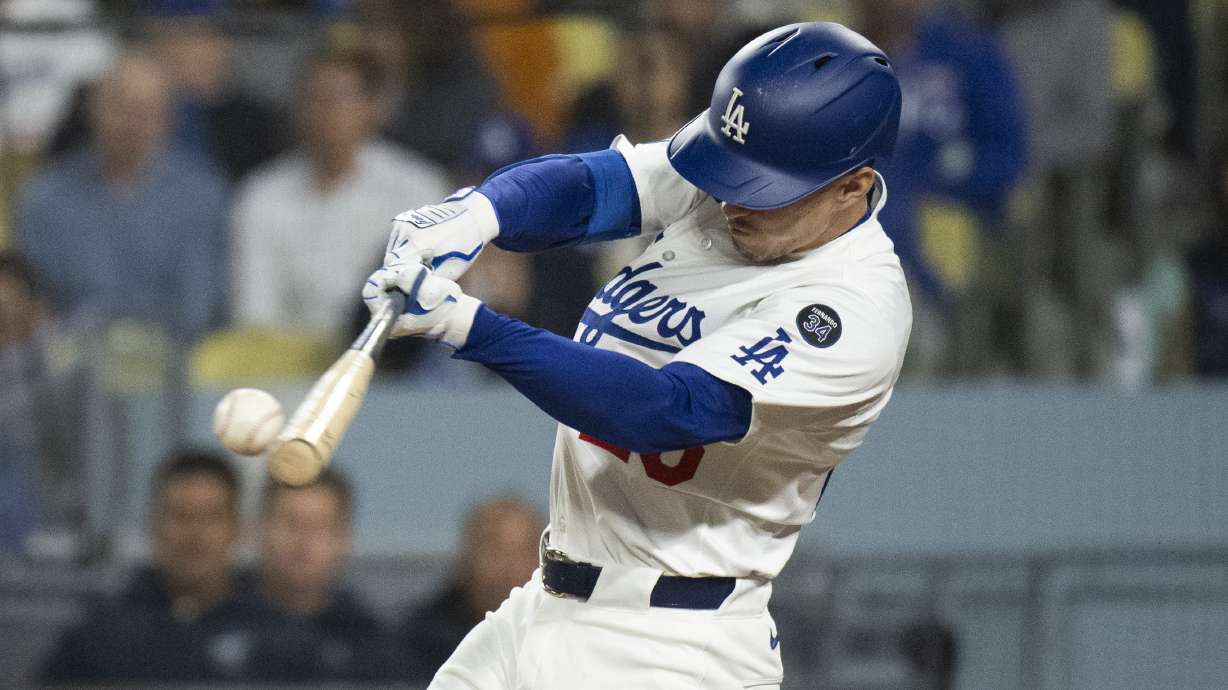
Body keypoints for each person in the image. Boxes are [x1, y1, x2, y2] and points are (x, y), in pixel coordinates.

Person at [359, 22, 910, 688]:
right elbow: (600, 185)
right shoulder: (733, 184)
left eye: (762, 186)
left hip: (672, 646)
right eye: (732, 169)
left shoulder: (852, 308)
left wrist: (472, 327)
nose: (732, 196)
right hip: (546, 603)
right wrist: (477, 215)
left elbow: (661, 411)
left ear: (853, 185)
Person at [230, 47, 449, 341]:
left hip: (393, 359)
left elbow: (430, 303)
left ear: (373, 106)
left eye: (337, 97)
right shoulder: (261, 194)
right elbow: (255, 317)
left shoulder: (419, 188)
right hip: (293, 366)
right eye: (312, 98)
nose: (324, 111)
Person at [14, 49, 229, 341]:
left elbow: (198, 309)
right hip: (69, 364)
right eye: (119, 107)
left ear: (168, 118)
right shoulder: (46, 197)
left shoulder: (203, 194)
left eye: (145, 111)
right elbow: (36, 309)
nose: (131, 123)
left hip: (175, 364)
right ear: (92, 108)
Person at [40, 449, 253, 683]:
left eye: (211, 517)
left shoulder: (272, 631)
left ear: (236, 529)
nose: (196, 534)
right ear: (154, 526)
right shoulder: (100, 635)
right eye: (180, 516)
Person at [249, 468, 400, 682]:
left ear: (343, 538)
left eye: (319, 527)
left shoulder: (370, 639)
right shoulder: (214, 622)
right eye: (291, 523)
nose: (303, 541)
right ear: (260, 529)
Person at [399, 497, 544, 683]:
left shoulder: (563, 637)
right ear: (466, 556)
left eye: (523, 552)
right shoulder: (418, 642)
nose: (510, 568)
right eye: (496, 551)